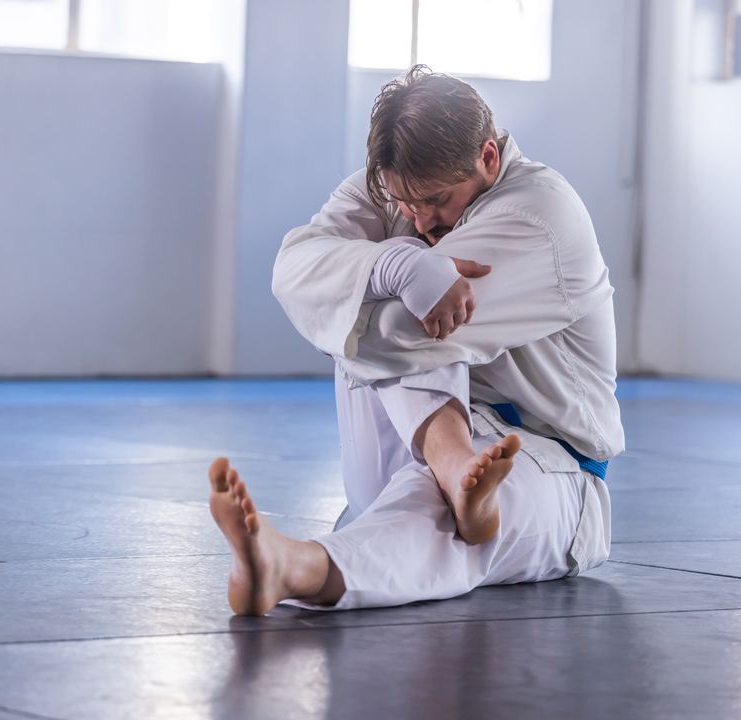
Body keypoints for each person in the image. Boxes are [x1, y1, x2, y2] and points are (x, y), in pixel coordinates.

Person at [208, 66, 624, 615]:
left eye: (439, 200)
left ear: (488, 158)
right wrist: (397, 264)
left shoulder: (539, 216)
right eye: (406, 203)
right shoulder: (392, 189)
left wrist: (363, 282)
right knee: (385, 315)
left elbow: (400, 336)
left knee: (402, 332)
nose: (422, 220)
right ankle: (451, 465)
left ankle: (294, 566)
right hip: (404, 456)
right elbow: (292, 270)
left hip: (547, 468)